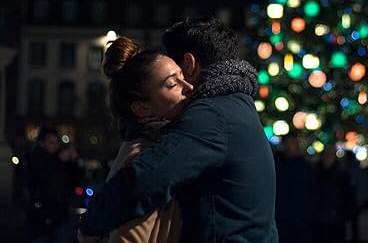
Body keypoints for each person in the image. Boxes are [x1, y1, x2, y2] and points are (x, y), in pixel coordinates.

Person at [78, 16, 278, 242]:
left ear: (189, 63)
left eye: (178, 74)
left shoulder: (211, 114)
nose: (188, 87)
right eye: (173, 82)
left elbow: (146, 179)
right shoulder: (236, 104)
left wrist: (90, 223)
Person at [100, 36, 193, 242]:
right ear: (142, 108)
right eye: (172, 84)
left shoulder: (161, 144)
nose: (188, 86)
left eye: (182, 75)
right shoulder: (143, 156)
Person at [26, 126, 83, 243]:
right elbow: (41, 178)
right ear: (42, 143)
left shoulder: (59, 160)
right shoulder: (35, 157)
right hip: (40, 216)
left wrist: (73, 161)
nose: (55, 146)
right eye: (51, 142)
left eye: (56, 142)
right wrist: (59, 160)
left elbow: (78, 181)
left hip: (60, 216)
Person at [274, 132, 318, 243]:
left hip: (300, 221)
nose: (295, 146)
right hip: (282, 219)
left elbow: (312, 193)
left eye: (295, 143)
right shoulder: (277, 165)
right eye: (291, 143)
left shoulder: (305, 167)